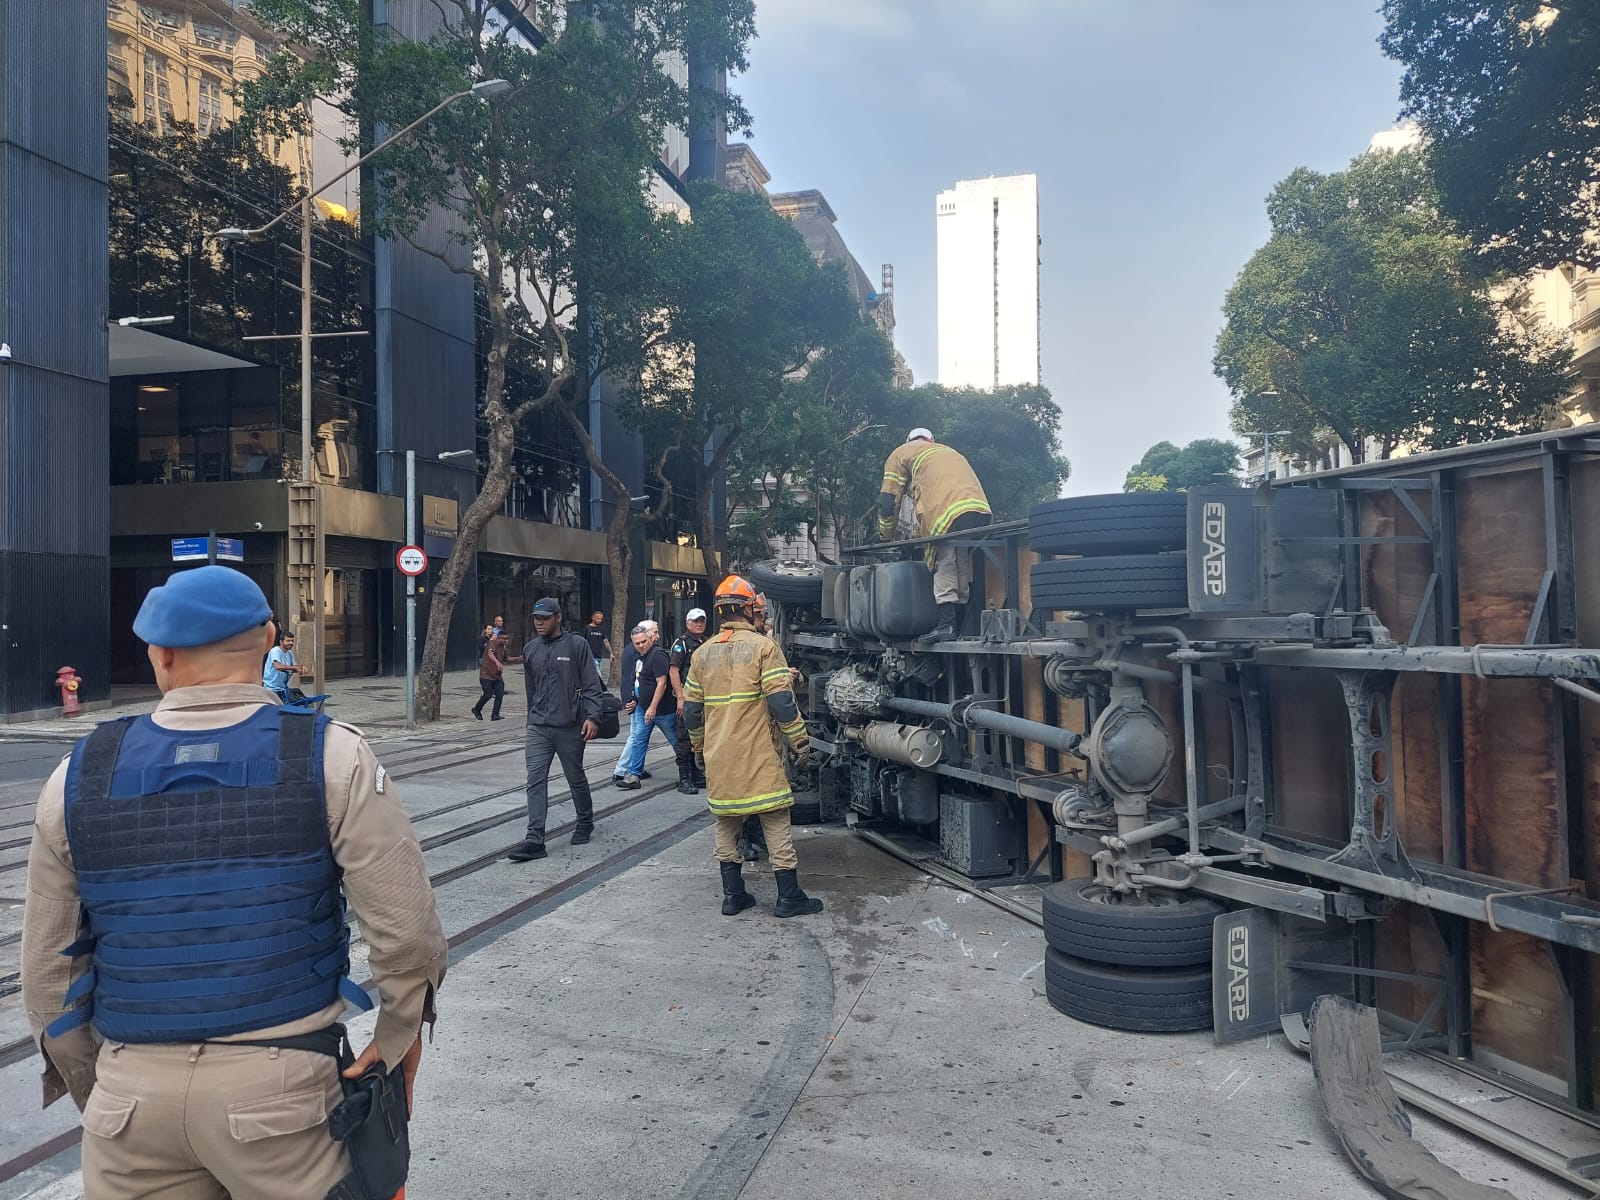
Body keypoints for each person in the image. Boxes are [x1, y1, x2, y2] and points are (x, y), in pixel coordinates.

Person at [21, 565, 446, 1199]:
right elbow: (408, 937)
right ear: (271, 639)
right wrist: (394, 1037)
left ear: (160, 655)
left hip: (129, 1099)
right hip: (284, 1096)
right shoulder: (333, 755)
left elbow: (46, 976)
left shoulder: (74, 778)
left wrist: (104, 1087)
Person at [684, 574, 824, 918]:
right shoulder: (765, 648)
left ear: (719, 612)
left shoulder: (701, 655)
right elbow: (782, 705)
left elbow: (691, 712)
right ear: (748, 609)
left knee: (726, 822)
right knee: (775, 820)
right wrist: (800, 744)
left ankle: (733, 896)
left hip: (719, 755)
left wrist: (699, 750)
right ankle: (789, 897)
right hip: (758, 754)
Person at [878, 426, 993, 644]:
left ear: (909, 440)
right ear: (931, 440)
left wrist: (886, 535)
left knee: (944, 559)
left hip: (945, 506)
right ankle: (961, 623)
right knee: (959, 558)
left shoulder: (901, 453)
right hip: (976, 507)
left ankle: (947, 625)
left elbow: (888, 500)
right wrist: (913, 536)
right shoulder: (947, 451)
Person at [513, 596, 605, 861]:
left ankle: (585, 822)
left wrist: (593, 717)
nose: (539, 623)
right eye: (536, 619)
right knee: (535, 780)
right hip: (539, 726)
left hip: (570, 726)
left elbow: (591, 685)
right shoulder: (530, 649)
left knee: (575, 777)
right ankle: (534, 839)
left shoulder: (577, 645)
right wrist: (531, 718)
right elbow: (532, 689)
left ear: (558, 618)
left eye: (544, 618)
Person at [619, 625, 676, 788]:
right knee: (638, 740)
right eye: (637, 643)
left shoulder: (658, 655)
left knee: (676, 741)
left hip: (663, 710)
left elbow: (662, 684)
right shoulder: (639, 656)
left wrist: (652, 707)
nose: (641, 645)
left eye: (644, 641)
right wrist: (635, 699)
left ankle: (690, 772)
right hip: (643, 707)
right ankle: (633, 775)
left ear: (650, 639)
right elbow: (638, 680)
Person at [610, 619, 659, 786]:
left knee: (637, 736)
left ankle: (633, 768)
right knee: (635, 736)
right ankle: (622, 770)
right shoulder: (635, 651)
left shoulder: (638, 649)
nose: (657, 636)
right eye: (655, 632)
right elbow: (632, 678)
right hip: (636, 702)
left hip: (638, 700)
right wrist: (631, 699)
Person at [669, 608, 708, 794]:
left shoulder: (707, 642)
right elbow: (674, 670)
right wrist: (680, 698)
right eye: (695, 621)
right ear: (687, 623)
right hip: (688, 698)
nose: (699, 624)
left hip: (704, 699)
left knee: (700, 737)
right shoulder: (681, 644)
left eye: (701, 621)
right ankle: (684, 779)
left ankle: (697, 774)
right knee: (684, 739)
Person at [472, 632, 511, 721]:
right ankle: (476, 709)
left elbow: (507, 658)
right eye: (504, 639)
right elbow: (490, 654)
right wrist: (497, 662)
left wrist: (519, 658)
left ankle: (495, 714)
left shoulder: (503, 648)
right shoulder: (492, 643)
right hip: (486, 675)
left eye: (507, 639)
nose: (506, 641)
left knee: (500, 694)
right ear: (499, 638)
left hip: (497, 676)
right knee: (487, 694)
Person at [261, 629, 304, 700]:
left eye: (292, 641)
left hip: (283, 688)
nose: (291, 643)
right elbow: (278, 666)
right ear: (281, 642)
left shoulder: (289, 653)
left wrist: (301, 668)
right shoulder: (275, 651)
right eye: (288, 641)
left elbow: (294, 667)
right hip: (272, 687)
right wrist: (294, 668)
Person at [583, 610, 613, 680]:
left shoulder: (601, 629)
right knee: (598, 675)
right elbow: (583, 642)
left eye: (601, 619)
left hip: (598, 655)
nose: (600, 620)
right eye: (598, 618)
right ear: (593, 618)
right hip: (589, 655)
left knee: (593, 673)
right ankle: (601, 688)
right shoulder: (587, 629)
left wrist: (611, 653)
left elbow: (605, 641)